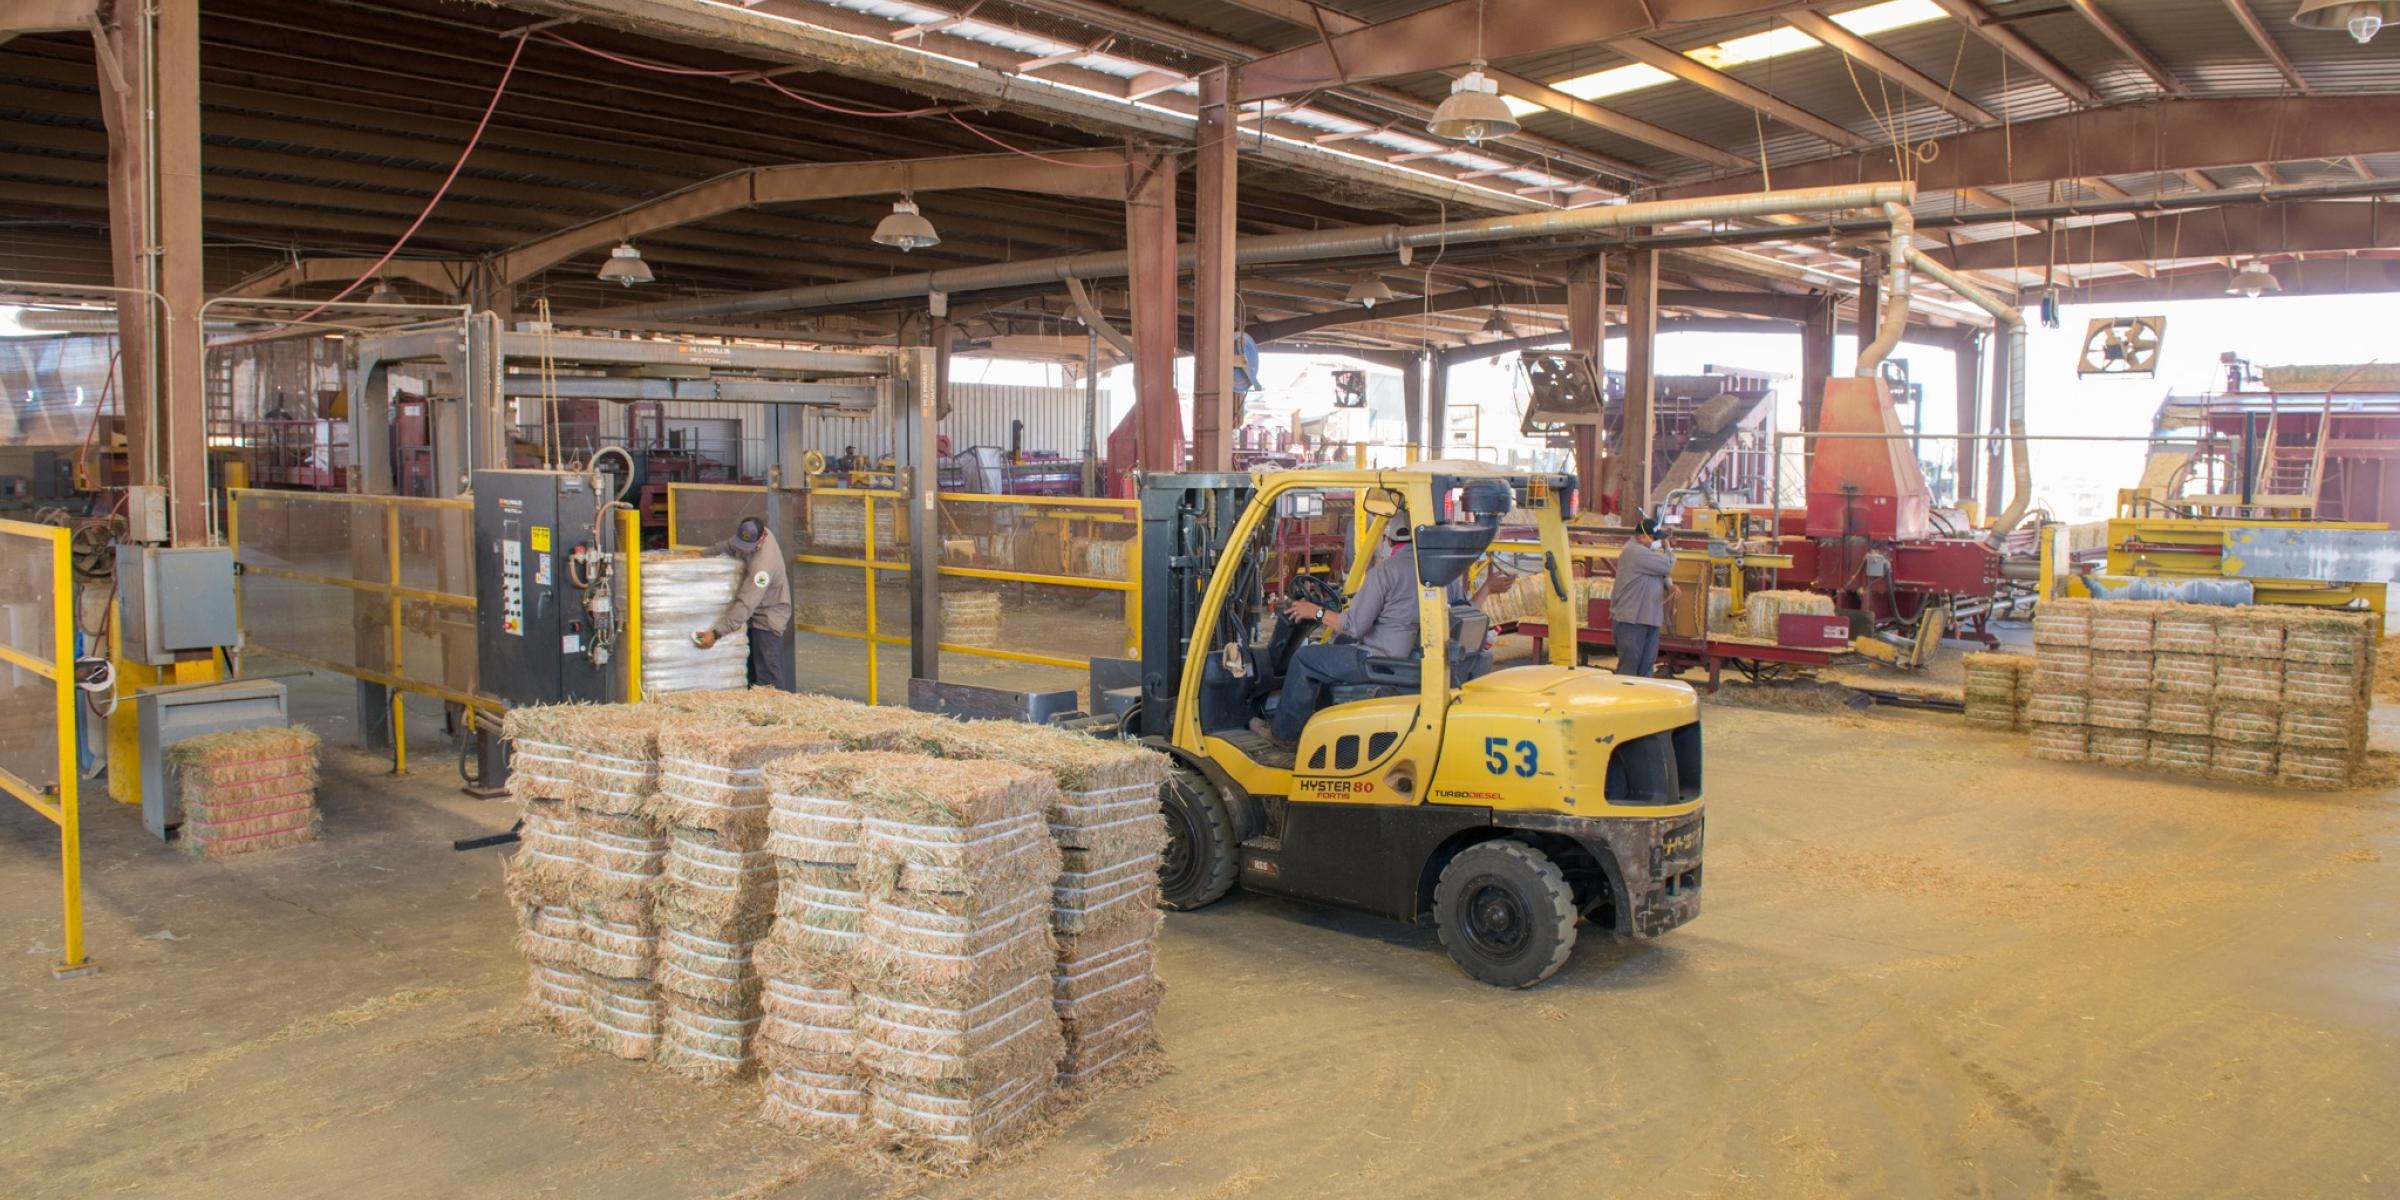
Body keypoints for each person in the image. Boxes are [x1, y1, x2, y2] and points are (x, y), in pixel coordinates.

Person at [1251, 516, 1424, 750]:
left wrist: (1316, 612)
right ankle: (1321, 721)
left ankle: (1285, 734)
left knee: (1305, 659)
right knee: (1336, 643)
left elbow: (1354, 626)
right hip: (1400, 655)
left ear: (1387, 539)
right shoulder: (1424, 569)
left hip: (1375, 658)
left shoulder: (1385, 572)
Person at [694, 516, 793, 691]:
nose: (744, 550)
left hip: (768, 616)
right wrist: (701, 555)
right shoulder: (755, 533)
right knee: (751, 672)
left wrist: (716, 633)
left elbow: (746, 604)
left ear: (761, 539)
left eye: (748, 548)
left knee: (767, 675)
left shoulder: (762, 568)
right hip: (754, 611)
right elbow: (728, 546)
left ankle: (776, 713)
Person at [1610, 512, 1680, 678]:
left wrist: (1669, 585)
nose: (1658, 542)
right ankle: (1625, 702)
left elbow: (1661, 572)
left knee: (1646, 669)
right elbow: (1666, 566)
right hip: (1631, 620)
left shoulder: (1646, 553)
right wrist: (1668, 548)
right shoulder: (1634, 552)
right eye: (1654, 538)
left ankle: (1642, 703)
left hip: (1648, 617)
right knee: (1629, 670)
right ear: (1641, 536)